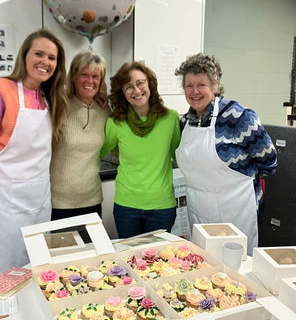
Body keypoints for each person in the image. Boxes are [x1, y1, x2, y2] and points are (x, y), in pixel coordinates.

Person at [0, 29, 68, 279]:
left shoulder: (49, 98)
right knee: (2, 278)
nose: (45, 62)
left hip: (39, 203)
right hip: (3, 204)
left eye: (52, 58)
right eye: (39, 54)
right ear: (24, 55)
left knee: (34, 275)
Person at [174, 53, 277, 255]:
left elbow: (269, 161)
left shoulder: (239, 117)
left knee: (237, 272)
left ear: (215, 85)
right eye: (189, 85)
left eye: (201, 85)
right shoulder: (184, 121)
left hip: (236, 212)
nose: (194, 91)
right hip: (198, 213)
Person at [100, 61, 181, 238]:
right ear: (122, 92)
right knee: (130, 261)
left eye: (140, 83)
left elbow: (181, 156)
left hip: (161, 207)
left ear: (149, 83)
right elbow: (98, 151)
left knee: (160, 261)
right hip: (127, 207)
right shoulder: (116, 123)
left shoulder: (170, 119)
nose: (136, 91)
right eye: (128, 86)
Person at [50, 50, 110, 221]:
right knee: (61, 248)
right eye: (84, 74)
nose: (90, 81)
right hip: (59, 203)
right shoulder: (59, 106)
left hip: (92, 200)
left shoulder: (105, 110)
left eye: (96, 76)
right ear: (74, 77)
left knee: (92, 248)